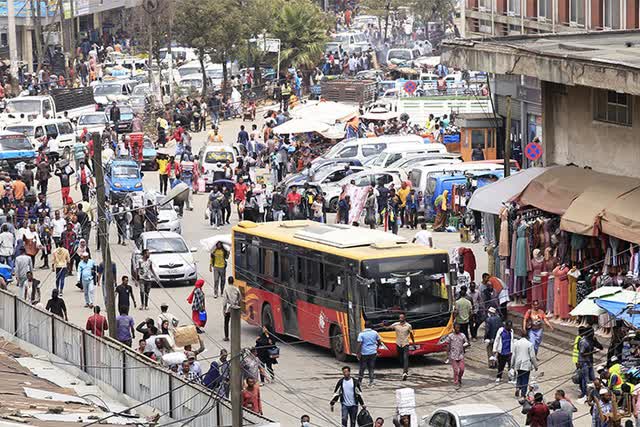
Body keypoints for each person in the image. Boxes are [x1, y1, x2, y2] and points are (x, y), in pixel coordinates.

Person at [386, 313, 414, 381]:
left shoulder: (408, 326)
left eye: (402, 317)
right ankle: (405, 366)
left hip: (405, 344)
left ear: (404, 318)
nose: (400, 319)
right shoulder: (395, 324)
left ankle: (405, 372)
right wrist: (384, 325)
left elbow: (411, 334)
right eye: (400, 318)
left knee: (405, 358)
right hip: (398, 344)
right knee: (400, 358)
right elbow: (388, 328)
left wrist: (413, 342)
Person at [511, 329, 538, 398]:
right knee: (525, 379)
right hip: (526, 364)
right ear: (527, 336)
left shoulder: (516, 343)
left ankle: (517, 388)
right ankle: (523, 394)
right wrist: (535, 365)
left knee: (519, 377)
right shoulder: (529, 344)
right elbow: (532, 356)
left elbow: (513, 355)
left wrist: (512, 365)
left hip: (518, 363)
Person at [444, 323, 469, 389]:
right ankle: (456, 381)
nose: (458, 329)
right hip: (453, 355)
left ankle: (459, 378)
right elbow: (447, 345)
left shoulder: (462, 335)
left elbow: (466, 342)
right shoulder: (450, 336)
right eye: (456, 328)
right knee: (456, 370)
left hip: (461, 355)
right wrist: (447, 355)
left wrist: (465, 345)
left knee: (462, 369)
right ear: (454, 328)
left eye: (459, 328)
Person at [356, 320, 381, 386]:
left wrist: (357, 353)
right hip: (373, 352)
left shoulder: (361, 334)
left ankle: (359, 382)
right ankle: (371, 382)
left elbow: (359, 344)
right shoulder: (375, 333)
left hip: (364, 353)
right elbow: (379, 342)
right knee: (371, 367)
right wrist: (376, 347)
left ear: (364, 326)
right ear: (371, 326)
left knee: (362, 368)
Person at [222, 276, 241, 341]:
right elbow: (240, 298)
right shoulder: (236, 289)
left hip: (228, 308)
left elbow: (224, 301)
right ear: (233, 281)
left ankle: (226, 337)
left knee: (226, 323)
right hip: (235, 307)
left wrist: (223, 310)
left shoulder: (226, 289)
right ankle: (235, 336)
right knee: (234, 323)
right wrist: (237, 304)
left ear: (228, 281)